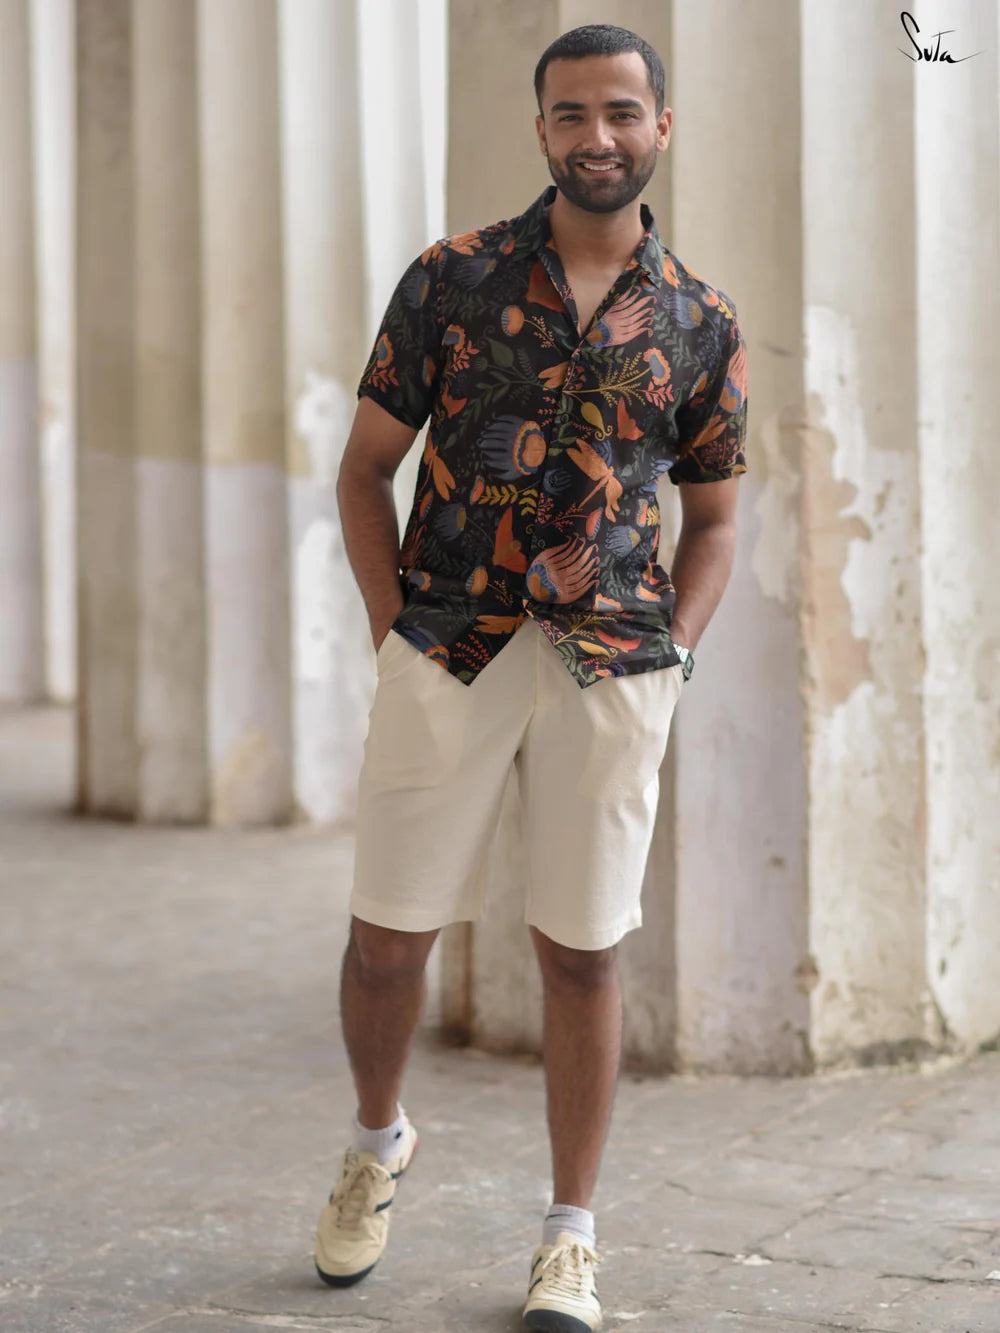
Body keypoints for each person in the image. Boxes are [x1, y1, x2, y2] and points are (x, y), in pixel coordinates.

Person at [314, 22, 748, 1331]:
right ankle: (377, 1140)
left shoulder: (700, 321)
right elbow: (362, 468)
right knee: (389, 940)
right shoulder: (447, 282)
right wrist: (398, 625)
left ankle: (571, 1233)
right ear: (542, 128)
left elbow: (720, 518)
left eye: (622, 112)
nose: (596, 136)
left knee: (583, 953)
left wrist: (676, 655)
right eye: (572, 114)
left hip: (613, 662)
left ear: (661, 128)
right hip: (448, 643)